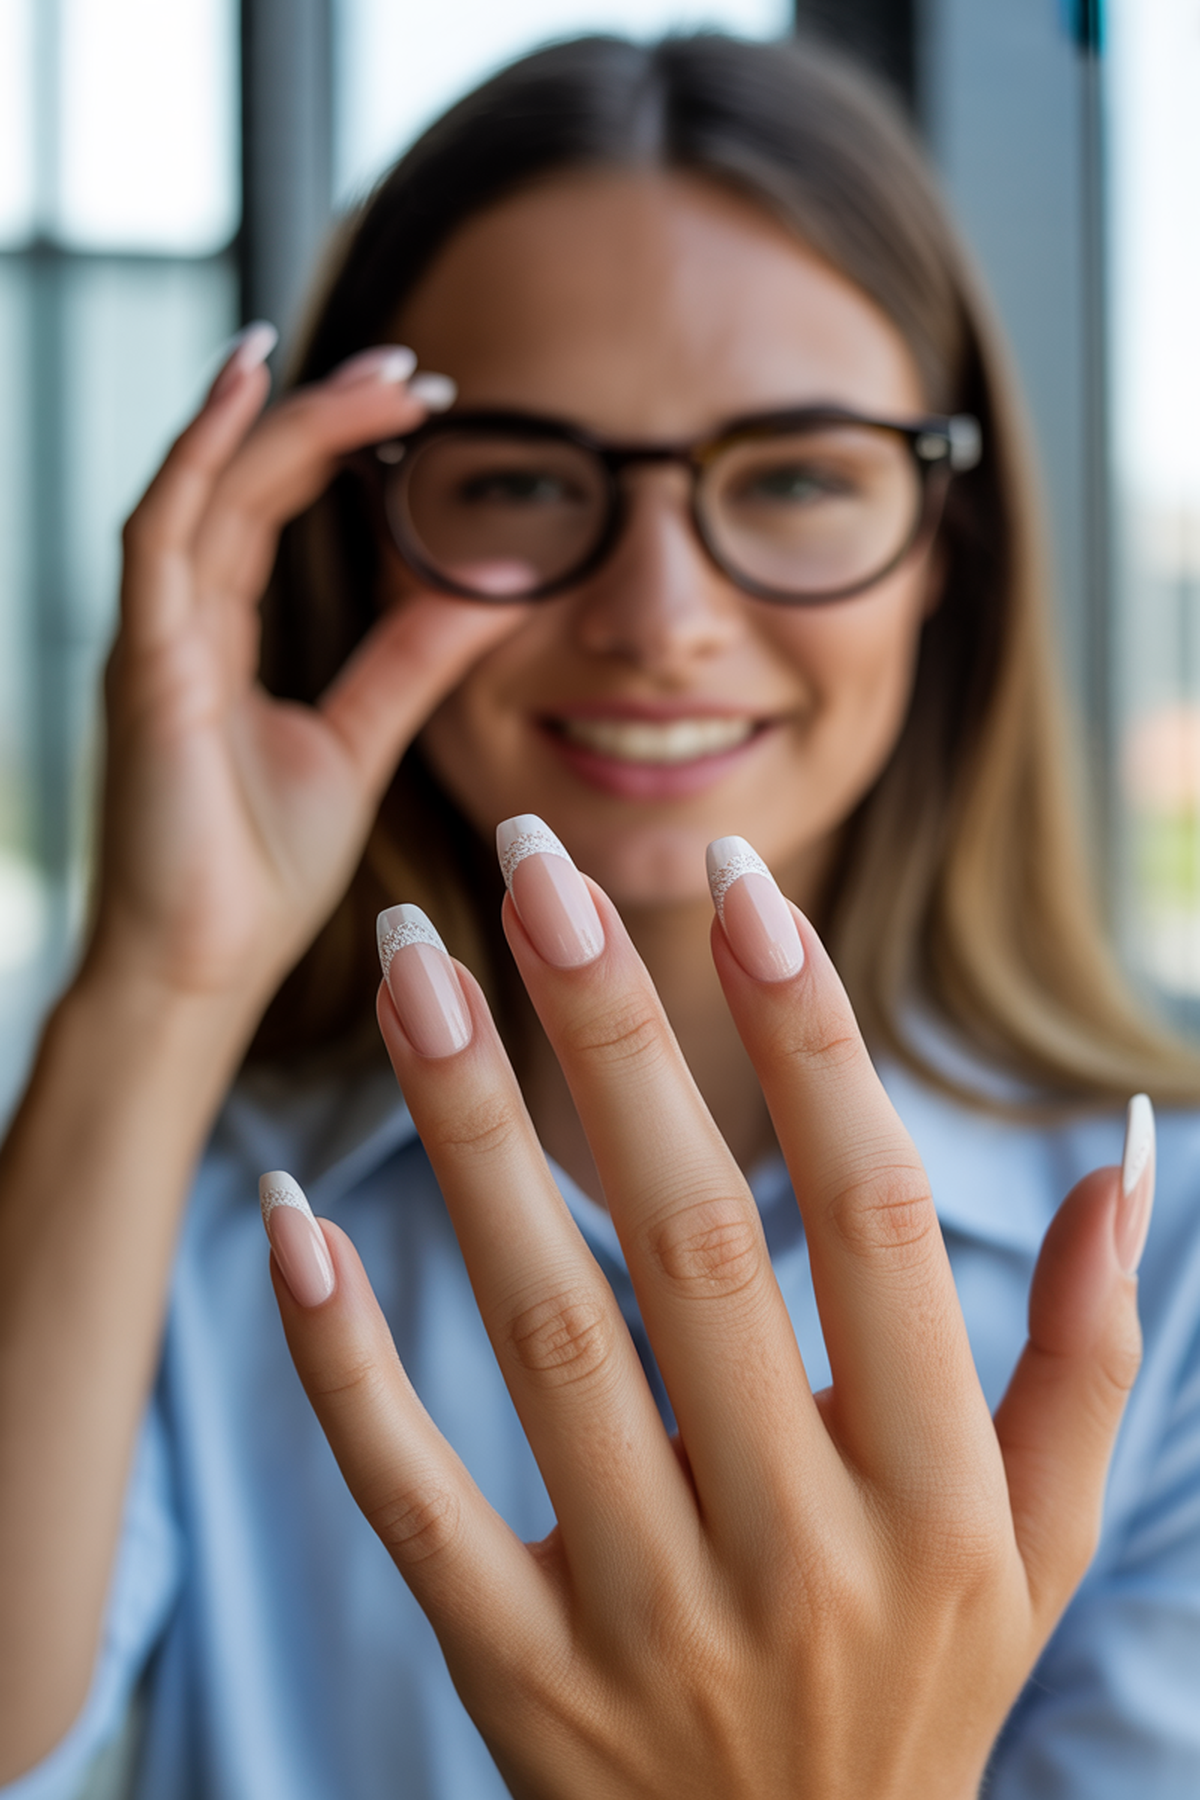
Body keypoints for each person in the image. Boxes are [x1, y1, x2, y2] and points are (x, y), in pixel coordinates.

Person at [2, 30, 1200, 1799]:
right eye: (522, 480)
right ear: (362, 537)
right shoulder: (149, 1165)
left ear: (949, 551)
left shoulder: (1171, 1250)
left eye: (796, 476)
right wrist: (162, 981)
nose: (658, 614)